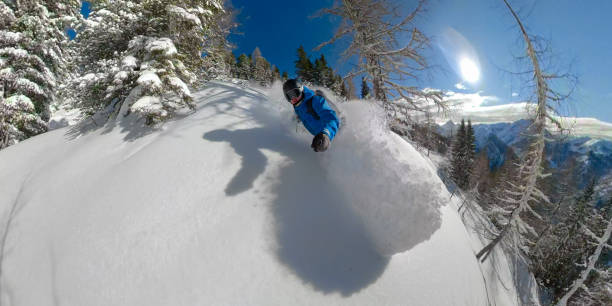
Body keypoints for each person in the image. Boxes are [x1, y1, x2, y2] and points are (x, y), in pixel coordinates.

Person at [282, 79, 340, 152]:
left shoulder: (315, 100)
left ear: (301, 89)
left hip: (334, 132)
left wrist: (325, 134)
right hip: (322, 138)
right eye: (289, 96)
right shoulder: (298, 108)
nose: (293, 99)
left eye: (294, 93)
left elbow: (331, 118)